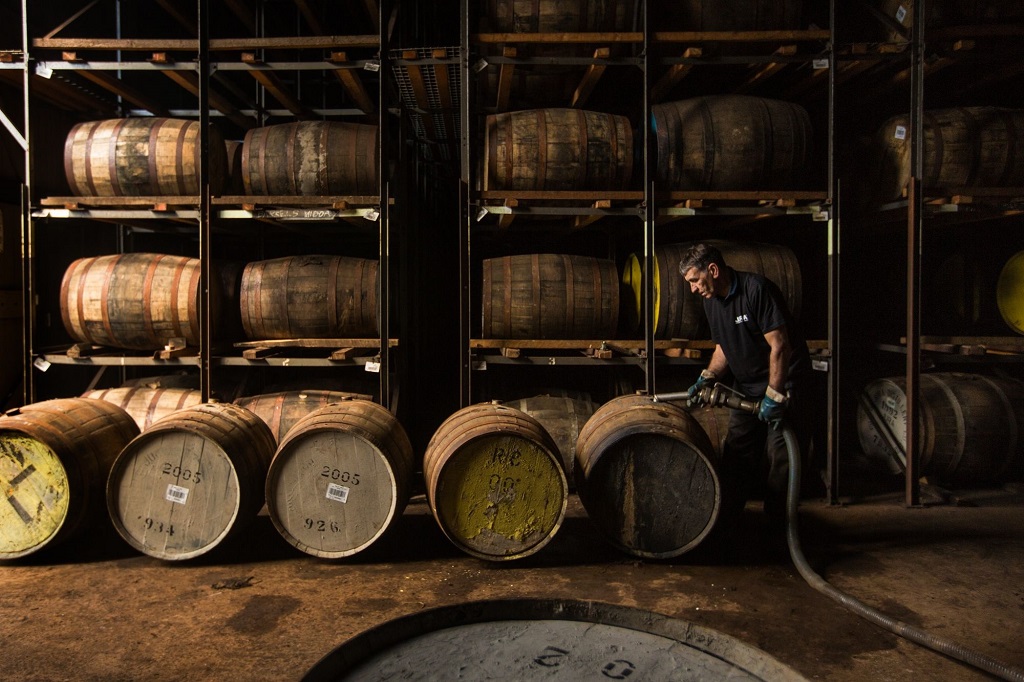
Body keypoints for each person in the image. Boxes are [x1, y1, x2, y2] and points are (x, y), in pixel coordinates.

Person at [679, 243, 810, 523]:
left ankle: (780, 529)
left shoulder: (756, 290)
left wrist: (774, 396)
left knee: (781, 457)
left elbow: (780, 346)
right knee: (737, 453)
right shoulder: (711, 301)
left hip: (783, 384)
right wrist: (708, 376)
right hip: (747, 385)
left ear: (712, 270)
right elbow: (723, 348)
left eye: (694, 280)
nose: (693, 289)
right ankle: (725, 521)